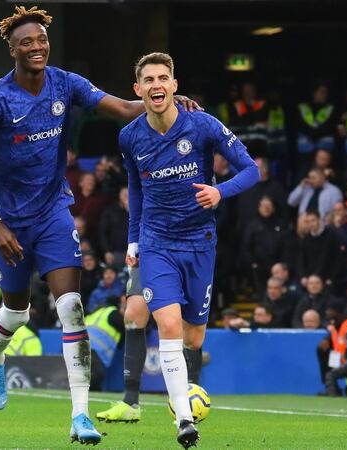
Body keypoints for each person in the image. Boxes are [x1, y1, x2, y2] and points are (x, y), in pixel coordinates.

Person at [0, 6, 198, 445]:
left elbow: (121, 107)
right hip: (8, 219)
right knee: (17, 311)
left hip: (53, 211)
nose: (36, 47)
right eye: (26, 42)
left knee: (71, 307)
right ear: (12, 49)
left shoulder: (64, 83)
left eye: (41, 40)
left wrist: (162, 101)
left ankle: (80, 416)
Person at [119, 52, 258, 447]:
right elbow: (136, 190)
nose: (156, 85)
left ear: (174, 85)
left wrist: (220, 192)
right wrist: (133, 241)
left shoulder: (202, 125)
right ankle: (183, 419)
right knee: (169, 326)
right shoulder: (129, 137)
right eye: (149, 79)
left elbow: (252, 170)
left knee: (194, 338)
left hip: (199, 244)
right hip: (156, 244)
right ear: (138, 89)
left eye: (163, 78)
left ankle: (187, 396)